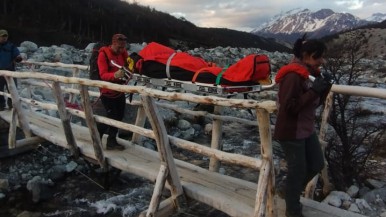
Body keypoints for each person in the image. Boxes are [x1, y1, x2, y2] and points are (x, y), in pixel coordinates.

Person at [273, 35, 332, 217]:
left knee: (316, 164)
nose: (321, 61)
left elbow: (314, 103)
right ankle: (293, 210)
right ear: (305, 55)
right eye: (318, 57)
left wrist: (324, 88)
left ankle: (286, 189)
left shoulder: (309, 74)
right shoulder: (293, 75)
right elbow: (289, 108)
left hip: (305, 129)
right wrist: (315, 90)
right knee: (297, 170)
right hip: (291, 131)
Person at [97, 33, 130, 150]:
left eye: (123, 47)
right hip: (107, 92)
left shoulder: (123, 53)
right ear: (113, 44)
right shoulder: (103, 54)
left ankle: (111, 141)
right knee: (111, 116)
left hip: (119, 90)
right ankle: (97, 136)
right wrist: (115, 75)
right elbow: (103, 74)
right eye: (119, 47)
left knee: (119, 116)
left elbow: (128, 65)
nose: (121, 50)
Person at [0, 29, 22, 111]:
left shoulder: (11, 46)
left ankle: (12, 106)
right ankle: (1, 106)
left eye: (5, 36)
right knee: (0, 90)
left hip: (10, 72)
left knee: (12, 90)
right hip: (0, 73)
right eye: (2, 36)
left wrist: (18, 58)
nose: (4, 38)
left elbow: (17, 55)